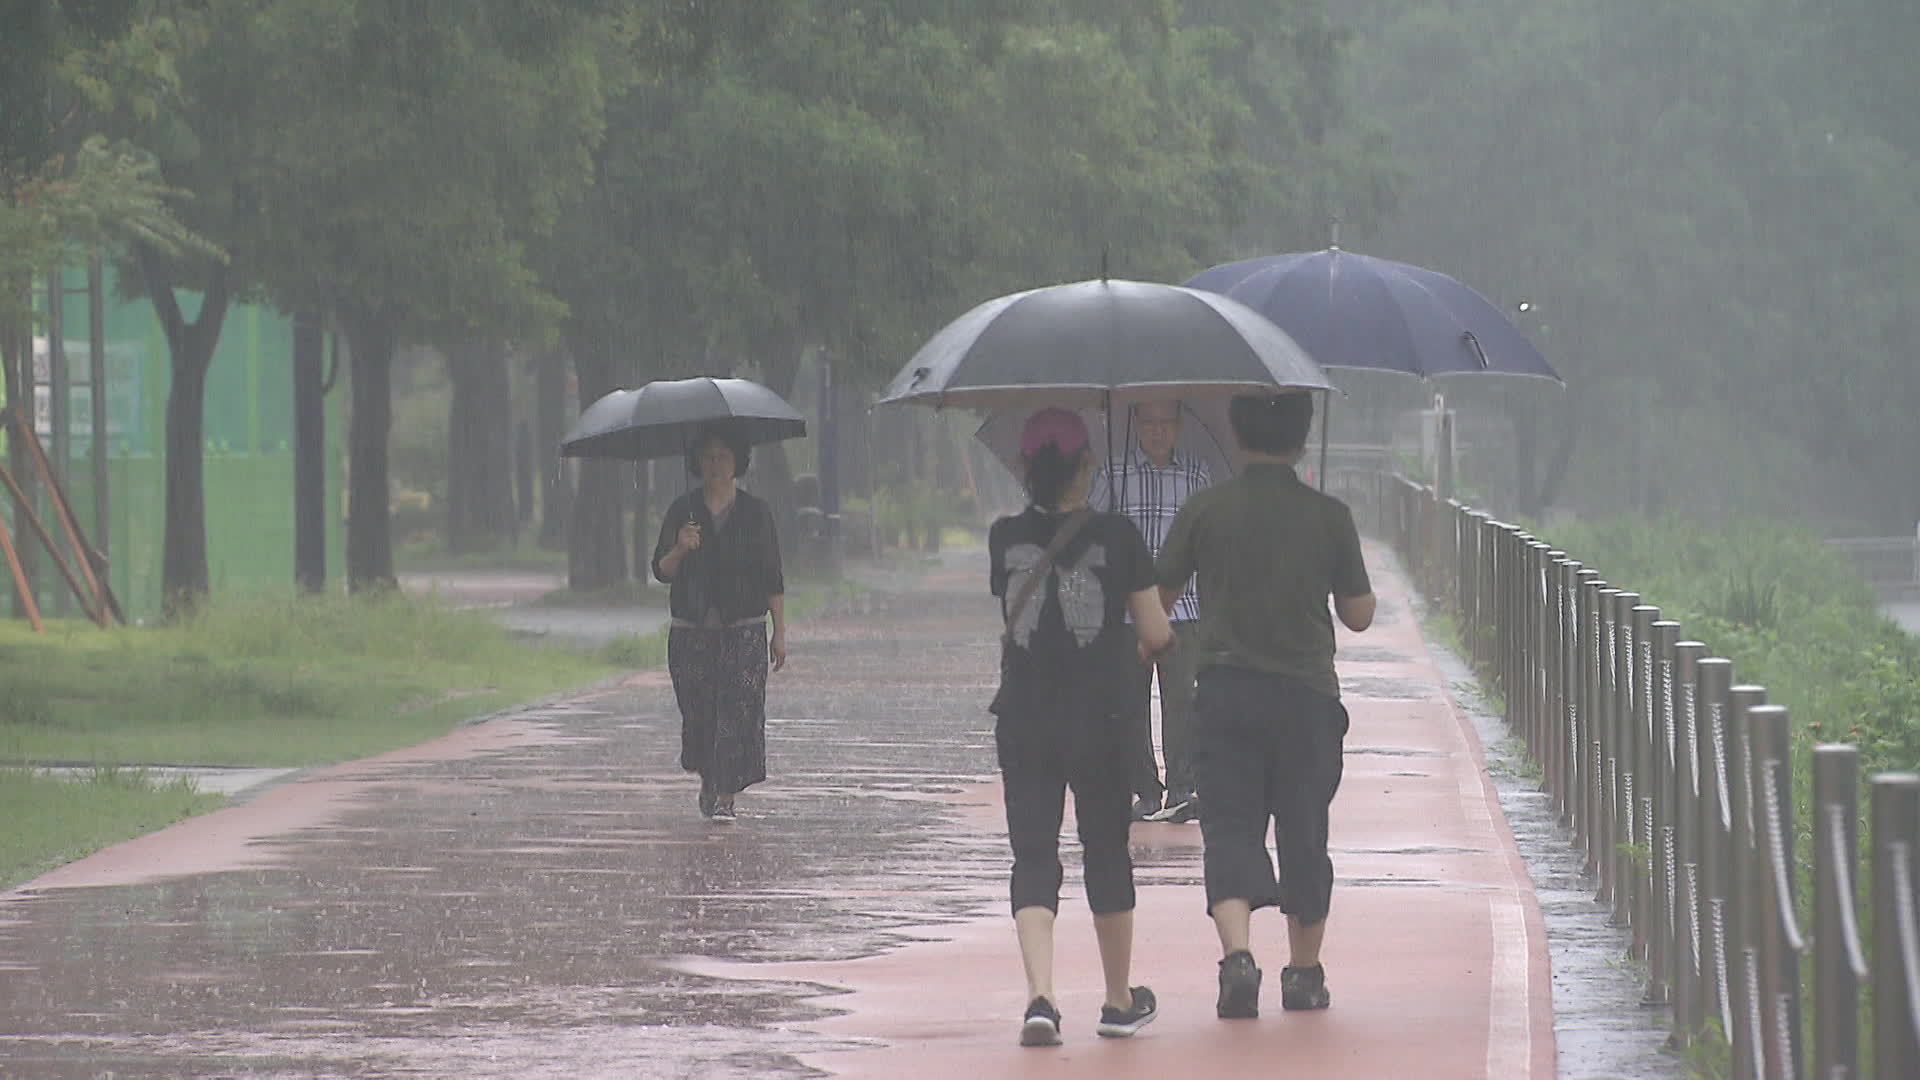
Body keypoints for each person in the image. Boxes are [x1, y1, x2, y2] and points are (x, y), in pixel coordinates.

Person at [1154, 391, 1376, 1019]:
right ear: (1303, 437)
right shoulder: (1329, 515)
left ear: (1237, 433)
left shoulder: (1206, 509)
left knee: (1228, 828)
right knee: (1304, 831)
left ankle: (1238, 960)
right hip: (1306, 702)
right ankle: (1303, 975)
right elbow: (1358, 616)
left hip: (1225, 696)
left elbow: (1161, 598)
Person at [988, 407, 1175, 1046]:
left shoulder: (1003, 535)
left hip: (1024, 719)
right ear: (1087, 466)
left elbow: (1017, 624)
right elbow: (1155, 633)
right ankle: (1118, 1001)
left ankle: (1040, 998)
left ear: (1024, 468)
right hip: (1102, 719)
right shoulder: (1120, 536)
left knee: (1034, 854)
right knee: (1104, 850)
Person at [652, 423, 788, 823]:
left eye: (722, 457)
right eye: (707, 457)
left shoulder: (756, 513)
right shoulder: (683, 510)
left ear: (737, 463)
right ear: (697, 462)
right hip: (691, 631)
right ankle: (710, 779)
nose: (714, 464)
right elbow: (661, 570)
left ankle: (726, 795)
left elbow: (772, 576)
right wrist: (680, 548)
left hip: (744, 628)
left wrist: (779, 631)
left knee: (738, 710)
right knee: (700, 712)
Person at [1090, 400, 1210, 824]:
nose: (1157, 432)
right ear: (1136, 425)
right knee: (1128, 702)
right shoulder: (1114, 473)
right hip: (1127, 611)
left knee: (1183, 700)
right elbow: (1090, 531)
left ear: (1178, 426)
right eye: (1149, 423)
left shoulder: (1195, 475)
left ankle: (1182, 787)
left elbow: (1207, 537)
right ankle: (1144, 789)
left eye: (1166, 423)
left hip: (1185, 607)